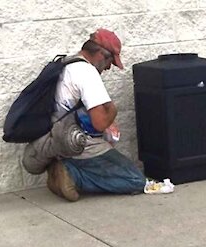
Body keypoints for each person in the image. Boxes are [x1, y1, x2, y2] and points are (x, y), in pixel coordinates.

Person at [22, 28, 146, 202]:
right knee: (136, 180)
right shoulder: (87, 73)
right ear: (102, 55)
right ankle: (71, 175)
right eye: (110, 61)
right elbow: (99, 124)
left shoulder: (65, 63)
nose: (109, 67)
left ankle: (64, 167)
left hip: (52, 137)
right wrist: (112, 110)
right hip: (75, 142)